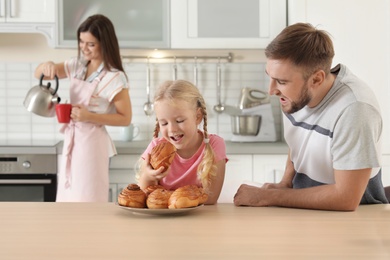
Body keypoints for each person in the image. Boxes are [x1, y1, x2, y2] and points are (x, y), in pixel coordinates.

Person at [234, 23, 388, 211]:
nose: (271, 90)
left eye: (281, 81)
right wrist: (285, 182)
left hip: (353, 220)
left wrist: (269, 196)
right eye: (270, 77)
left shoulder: (354, 109)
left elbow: (346, 198)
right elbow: (298, 140)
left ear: (316, 79)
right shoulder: (295, 94)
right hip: (304, 211)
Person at [34, 14, 132, 202]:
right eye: (81, 42)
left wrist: (89, 116)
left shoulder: (115, 77)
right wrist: (46, 65)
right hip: (72, 139)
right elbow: (38, 74)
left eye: (91, 44)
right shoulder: (76, 65)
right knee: (67, 196)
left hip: (92, 144)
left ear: (105, 43)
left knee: (87, 198)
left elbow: (125, 118)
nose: (84, 48)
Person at [136, 80, 227, 204]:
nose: (172, 129)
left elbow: (210, 199)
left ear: (197, 116)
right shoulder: (156, 148)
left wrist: (172, 199)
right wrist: (148, 176)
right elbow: (142, 195)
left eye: (179, 121)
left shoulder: (214, 145)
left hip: (201, 219)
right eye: (164, 123)